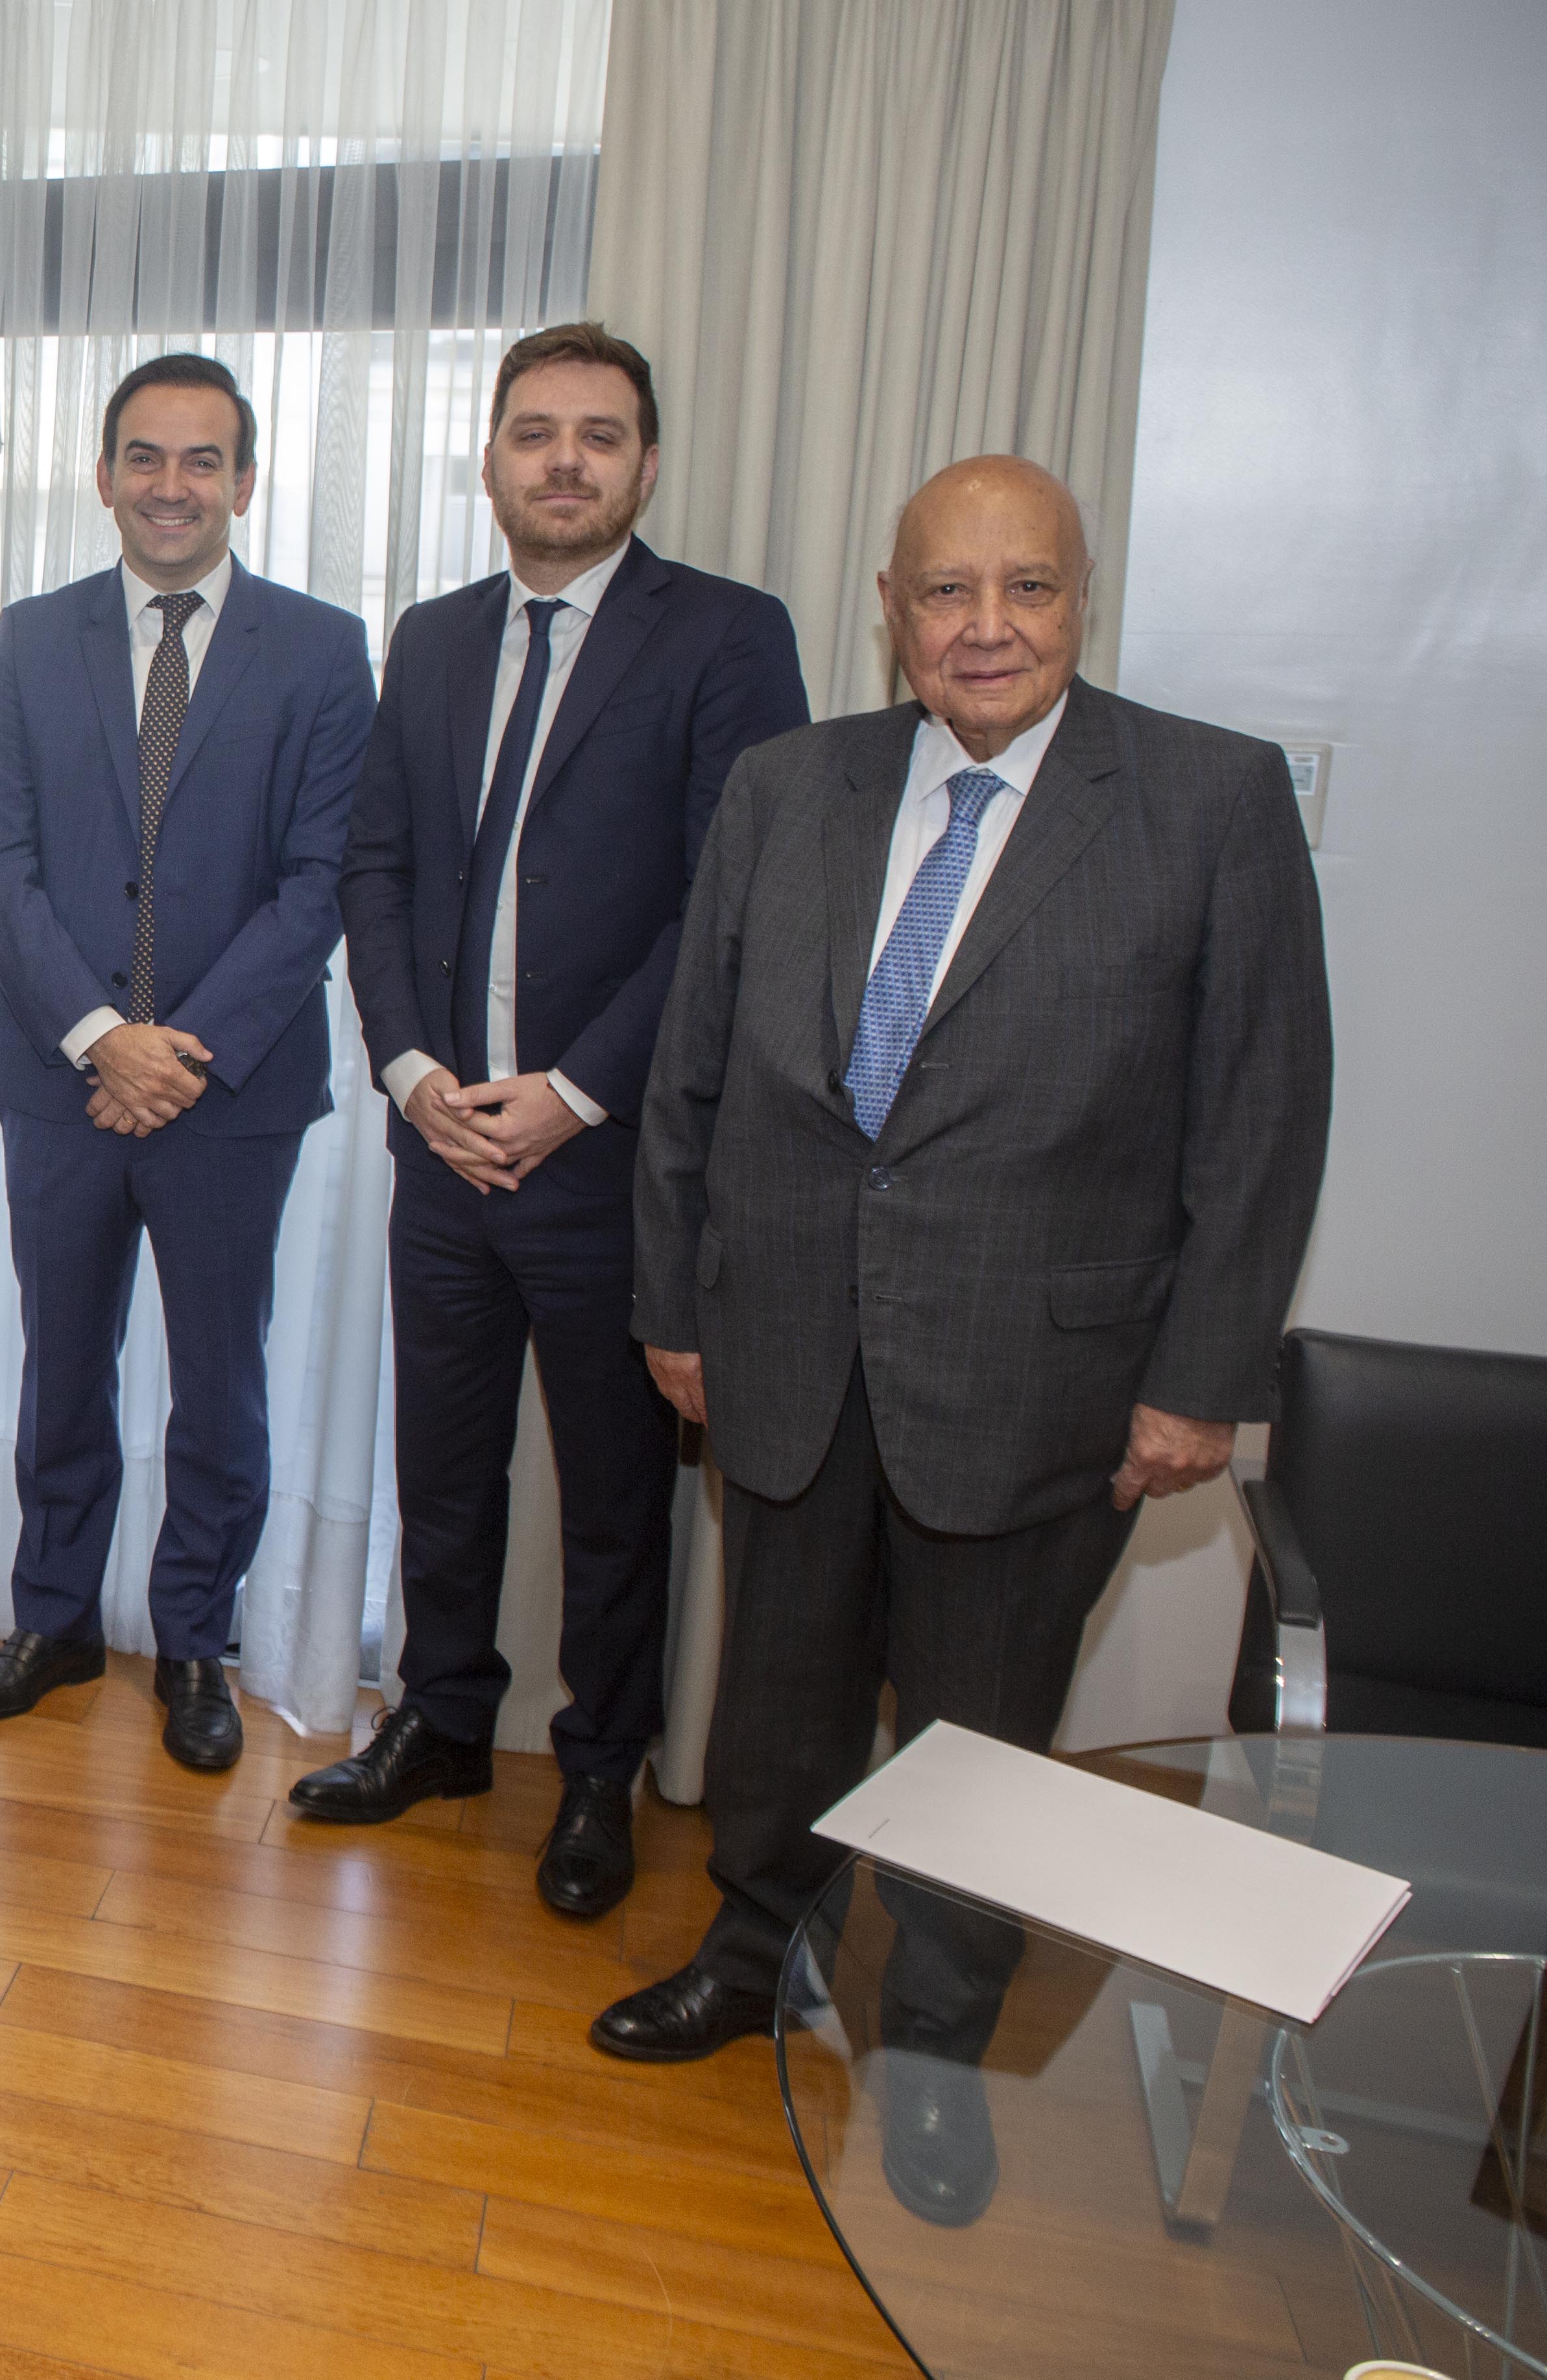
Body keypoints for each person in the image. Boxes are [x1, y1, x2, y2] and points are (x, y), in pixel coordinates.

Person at [594, 456, 1331, 2230]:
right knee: (772, 1702)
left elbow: (1261, 1115)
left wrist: (1200, 1376)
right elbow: (691, 1070)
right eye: (948, 590)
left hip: (1040, 1371)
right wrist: (675, 1305)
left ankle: (929, 2040)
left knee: (977, 1735)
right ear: (893, 605)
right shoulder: (791, 785)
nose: (986, 625)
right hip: (782, 1349)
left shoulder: (1209, 798)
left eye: (1029, 588)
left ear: (1084, 598)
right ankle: (758, 1950)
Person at [298, 325, 809, 1915]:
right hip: (442, 1144)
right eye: (535, 433)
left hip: (614, 1162)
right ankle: (444, 1720)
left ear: (644, 466)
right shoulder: (434, 637)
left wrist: (574, 1093)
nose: (564, 460)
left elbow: (731, 902)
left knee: (613, 1490)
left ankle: (595, 1769)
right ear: (491, 461)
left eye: (599, 434)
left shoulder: (728, 636)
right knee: (440, 1466)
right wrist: (410, 1075)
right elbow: (374, 869)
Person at [0, 353, 374, 1769]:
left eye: (201, 461)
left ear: (243, 482)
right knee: (60, 1367)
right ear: (104, 475)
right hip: (59, 1078)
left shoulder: (318, 652)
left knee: (219, 1378)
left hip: (227, 1092)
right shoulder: (27, 637)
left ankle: (193, 1635)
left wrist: (175, 1052)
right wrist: (97, 1036)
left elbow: (320, 881)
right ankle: (53, 1617)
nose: (171, 485)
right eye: (145, 456)